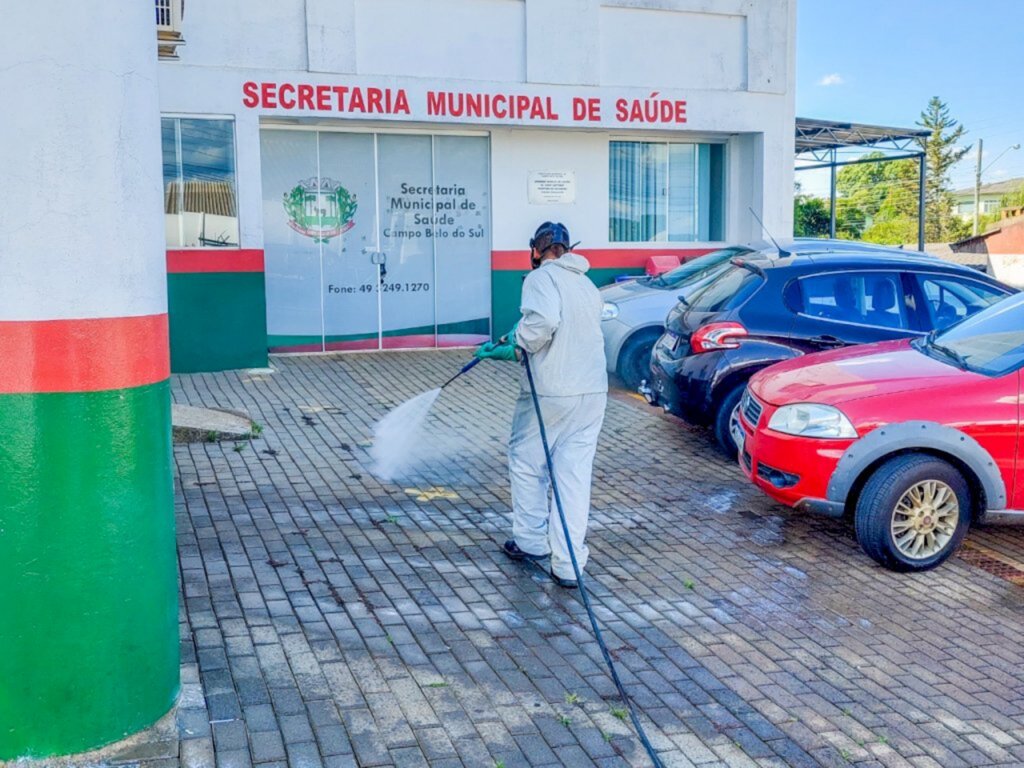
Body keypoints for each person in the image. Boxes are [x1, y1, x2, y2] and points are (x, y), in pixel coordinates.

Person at [475, 222, 608, 588]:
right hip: (593, 393)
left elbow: (544, 322)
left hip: (553, 390)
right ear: (568, 248)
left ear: (537, 250)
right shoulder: (585, 284)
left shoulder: (541, 278)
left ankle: (532, 542)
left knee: (526, 460)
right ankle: (568, 565)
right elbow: (562, 324)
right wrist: (519, 334)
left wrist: (516, 345)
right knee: (573, 475)